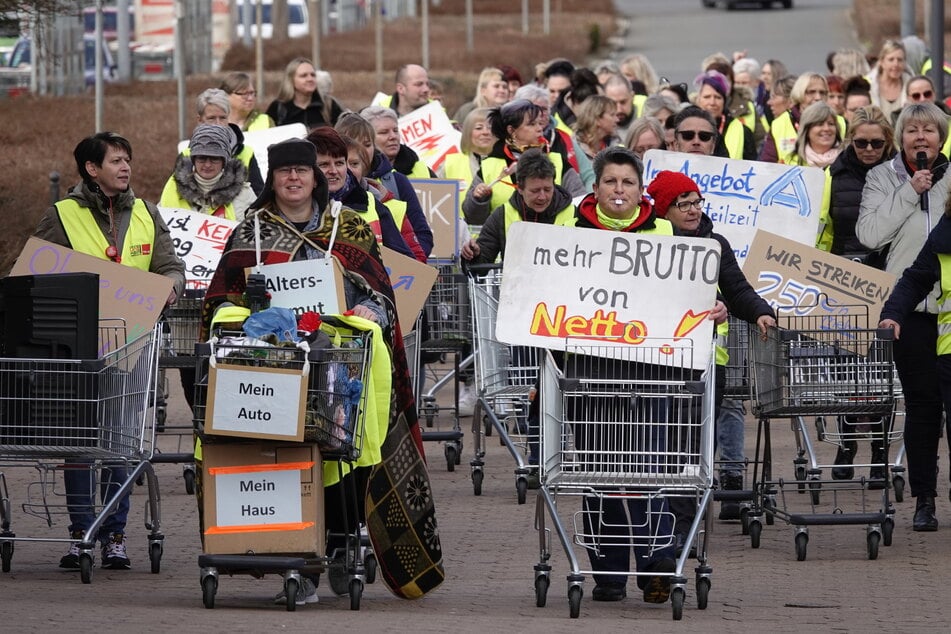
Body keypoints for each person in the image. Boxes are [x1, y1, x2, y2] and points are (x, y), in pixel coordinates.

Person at [201, 138, 425, 602]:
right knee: (287, 459)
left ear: (315, 177)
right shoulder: (250, 232)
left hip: (338, 366)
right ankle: (297, 556)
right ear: (273, 179)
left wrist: (369, 311)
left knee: (341, 453)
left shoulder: (350, 227)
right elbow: (219, 302)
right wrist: (249, 311)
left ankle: (343, 544)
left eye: (302, 170)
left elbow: (381, 295)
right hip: (273, 368)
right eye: (284, 171)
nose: (294, 178)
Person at [568, 147, 724, 604]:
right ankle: (609, 577)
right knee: (602, 474)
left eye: (628, 183)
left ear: (642, 191)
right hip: (590, 376)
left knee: (652, 472)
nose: (619, 190)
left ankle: (659, 569)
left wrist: (716, 308)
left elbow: (694, 293)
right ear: (596, 188)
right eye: (611, 182)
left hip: (654, 373)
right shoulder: (568, 232)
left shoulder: (666, 232)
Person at [34, 131, 185, 571]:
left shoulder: (146, 212)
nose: (125, 168)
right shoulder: (61, 215)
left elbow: (170, 266)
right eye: (116, 161)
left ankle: (115, 536)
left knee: (121, 442)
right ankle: (82, 532)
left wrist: (169, 289)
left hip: (132, 346)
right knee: (79, 444)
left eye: (128, 160)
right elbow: (36, 274)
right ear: (91, 170)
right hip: (78, 348)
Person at [646, 170, 777, 529]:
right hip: (655, 359)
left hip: (705, 362)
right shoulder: (648, 242)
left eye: (696, 202)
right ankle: (662, 514)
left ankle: (684, 523)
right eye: (682, 204)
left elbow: (737, 289)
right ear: (663, 210)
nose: (692, 210)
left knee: (693, 445)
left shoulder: (715, 243)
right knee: (658, 441)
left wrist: (760, 312)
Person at [857, 103, 951, 532]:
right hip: (907, 309)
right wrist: (912, 190)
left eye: (929, 130)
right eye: (912, 130)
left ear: (941, 137)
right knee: (923, 404)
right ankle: (924, 499)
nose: (920, 138)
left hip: (948, 311)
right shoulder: (883, 177)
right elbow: (870, 234)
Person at [817, 105, 897, 482]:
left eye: (876, 143)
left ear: (888, 142)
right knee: (846, 368)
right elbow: (826, 227)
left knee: (883, 369)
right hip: (843, 279)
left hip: (888, 278)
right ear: (850, 140)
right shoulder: (833, 175)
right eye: (861, 142)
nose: (868, 149)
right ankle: (847, 441)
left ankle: (881, 449)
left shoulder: (900, 175)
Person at [462, 99, 586, 225]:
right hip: (504, 243)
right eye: (532, 124)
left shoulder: (558, 161)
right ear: (511, 131)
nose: (540, 128)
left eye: (539, 123)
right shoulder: (490, 165)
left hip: (551, 242)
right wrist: (479, 199)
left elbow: (580, 204)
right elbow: (473, 219)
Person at [306, 126, 416, 260]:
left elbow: (405, 262)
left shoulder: (371, 203)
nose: (333, 170)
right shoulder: (296, 208)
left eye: (340, 163)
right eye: (324, 165)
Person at [335, 111, 434, 259]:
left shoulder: (396, 182)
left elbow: (422, 236)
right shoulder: (327, 193)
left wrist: (406, 270)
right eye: (353, 144)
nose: (361, 150)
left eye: (367, 144)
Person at [460, 148, 574, 265]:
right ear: (519, 188)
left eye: (547, 189)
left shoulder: (575, 214)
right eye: (535, 191)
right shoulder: (502, 215)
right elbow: (480, 264)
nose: (542, 197)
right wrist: (474, 253)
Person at [159, 123, 255, 222]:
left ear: (224, 161)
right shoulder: (172, 190)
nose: (208, 165)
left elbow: (257, 232)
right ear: (193, 160)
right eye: (201, 158)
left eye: (214, 159)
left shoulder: (245, 194)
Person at [192, 88, 264, 196]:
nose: (218, 124)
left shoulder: (246, 153)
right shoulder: (187, 154)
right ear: (200, 120)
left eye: (223, 118)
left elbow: (259, 196)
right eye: (211, 118)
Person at [760, 72, 837, 163]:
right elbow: (768, 165)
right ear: (799, 94)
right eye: (811, 92)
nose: (818, 97)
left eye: (822, 93)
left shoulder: (840, 122)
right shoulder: (779, 124)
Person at [265, 57, 345, 130]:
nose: (310, 79)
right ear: (291, 80)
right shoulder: (277, 108)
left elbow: (345, 136)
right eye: (303, 76)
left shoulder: (329, 105)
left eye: (313, 75)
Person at [360, 105, 435, 180]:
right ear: (366, 138)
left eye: (395, 130)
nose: (393, 136)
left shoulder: (422, 169)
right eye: (384, 132)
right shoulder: (357, 172)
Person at [694, 70, 756, 160]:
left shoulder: (743, 131)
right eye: (707, 97)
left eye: (718, 97)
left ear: (725, 102)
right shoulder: (685, 127)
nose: (712, 102)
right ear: (698, 100)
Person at [784, 101, 843, 167]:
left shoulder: (847, 160)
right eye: (820, 124)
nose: (826, 128)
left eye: (831, 124)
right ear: (807, 130)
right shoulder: (790, 162)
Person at [868, 39, 911, 124]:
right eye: (891, 59)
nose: (896, 64)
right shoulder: (869, 85)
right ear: (882, 62)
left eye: (900, 60)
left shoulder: (911, 86)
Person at [572, 94, 619, 163]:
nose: (617, 119)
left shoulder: (616, 145)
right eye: (612, 115)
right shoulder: (572, 149)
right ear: (597, 119)